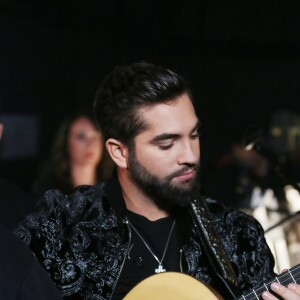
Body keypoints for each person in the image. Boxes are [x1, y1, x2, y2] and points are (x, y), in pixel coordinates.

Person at [15, 62, 300, 300]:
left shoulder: (238, 235)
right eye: (167, 144)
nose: (190, 155)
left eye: (194, 135)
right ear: (119, 152)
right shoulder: (60, 227)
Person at [32, 113, 114, 198]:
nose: (90, 144)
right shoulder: (50, 196)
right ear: (66, 142)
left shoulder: (114, 192)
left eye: (95, 137)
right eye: (81, 137)